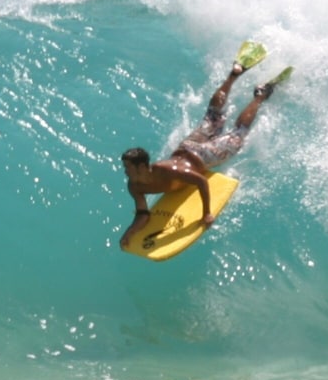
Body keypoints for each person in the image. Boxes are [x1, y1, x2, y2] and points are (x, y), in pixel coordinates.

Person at [119, 61, 283, 249]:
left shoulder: (167, 170)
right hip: (187, 146)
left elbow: (201, 181)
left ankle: (260, 95)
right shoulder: (135, 186)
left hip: (203, 156)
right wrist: (129, 233)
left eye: (128, 168)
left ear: (141, 167)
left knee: (239, 133)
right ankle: (234, 74)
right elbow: (143, 214)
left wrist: (206, 213)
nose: (125, 172)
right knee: (212, 115)